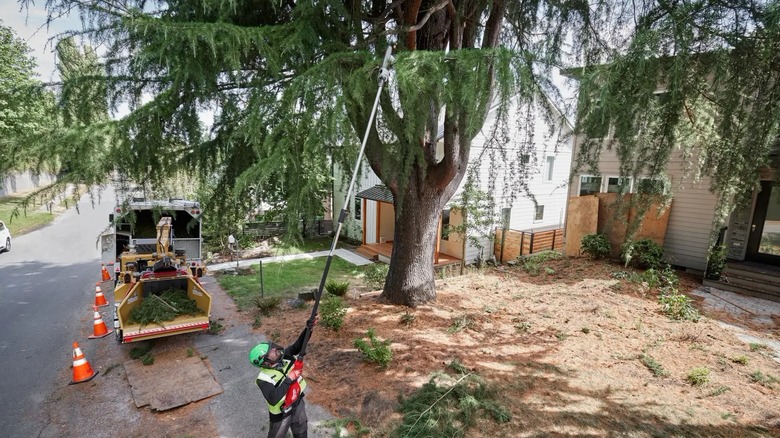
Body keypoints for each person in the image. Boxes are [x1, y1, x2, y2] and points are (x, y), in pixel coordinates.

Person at [249, 317, 317, 438]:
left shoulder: (284, 356)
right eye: (271, 352)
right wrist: (289, 378)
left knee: (301, 431)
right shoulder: (263, 379)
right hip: (280, 414)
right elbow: (273, 398)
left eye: (273, 348)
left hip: (297, 402)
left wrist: (308, 329)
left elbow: (298, 346)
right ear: (265, 362)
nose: (275, 349)